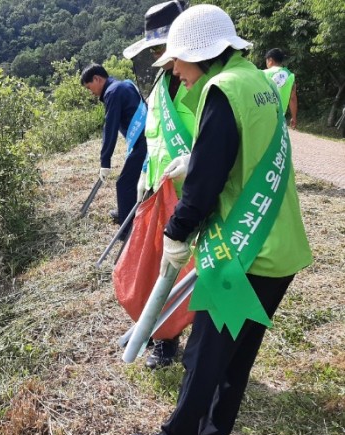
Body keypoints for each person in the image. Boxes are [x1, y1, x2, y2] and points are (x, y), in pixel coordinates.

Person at [125, 4, 312, 435]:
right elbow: (240, 153)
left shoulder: (222, 89)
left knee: (206, 352)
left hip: (244, 251)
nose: (172, 70)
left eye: (175, 60)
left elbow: (207, 183)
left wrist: (177, 230)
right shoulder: (256, 82)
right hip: (281, 247)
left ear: (200, 54)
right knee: (238, 354)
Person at [123, 0, 190, 369]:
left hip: (191, 192)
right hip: (158, 189)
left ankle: (170, 338)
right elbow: (155, 138)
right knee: (158, 266)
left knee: (183, 267)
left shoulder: (203, 83)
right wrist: (143, 180)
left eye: (163, 47)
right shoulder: (163, 82)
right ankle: (164, 333)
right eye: (155, 49)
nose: (159, 55)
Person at [80, 64, 147, 227]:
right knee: (136, 181)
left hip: (143, 142)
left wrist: (105, 161)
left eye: (90, 88)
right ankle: (127, 212)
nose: (92, 93)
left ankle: (127, 228)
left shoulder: (112, 92)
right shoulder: (124, 85)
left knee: (124, 183)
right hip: (147, 137)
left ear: (97, 79)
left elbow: (110, 127)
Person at [264, 48, 298, 129]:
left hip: (264, 115)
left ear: (270, 60)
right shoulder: (290, 76)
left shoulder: (263, 74)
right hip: (280, 117)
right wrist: (294, 117)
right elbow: (292, 98)